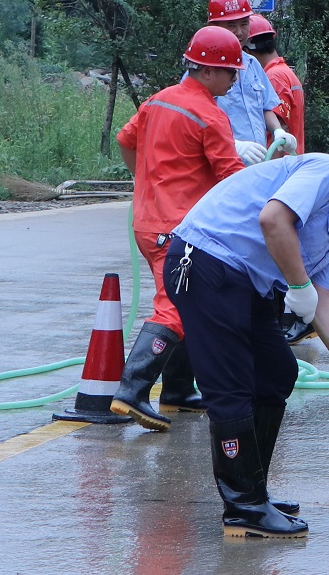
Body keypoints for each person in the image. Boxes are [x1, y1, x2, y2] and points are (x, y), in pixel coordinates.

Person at [167, 142, 329, 538]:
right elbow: (273, 220)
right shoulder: (327, 172)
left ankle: (254, 489)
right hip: (206, 262)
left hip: (241, 279)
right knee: (233, 386)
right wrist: (298, 283)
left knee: (277, 372)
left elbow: (323, 296)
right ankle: (243, 508)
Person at [109, 26, 249, 430]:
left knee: (191, 300)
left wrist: (145, 182)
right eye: (230, 72)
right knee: (173, 306)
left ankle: (177, 391)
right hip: (178, 229)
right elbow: (231, 180)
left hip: (148, 221)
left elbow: (125, 139)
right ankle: (131, 392)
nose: (234, 79)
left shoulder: (157, 101)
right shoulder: (209, 115)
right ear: (207, 71)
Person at [204, 0, 291, 162]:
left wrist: (277, 131)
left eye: (244, 24)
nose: (239, 32)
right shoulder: (205, 71)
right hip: (222, 164)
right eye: (231, 25)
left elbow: (265, 107)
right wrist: (231, 144)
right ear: (214, 27)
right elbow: (196, 120)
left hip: (256, 165)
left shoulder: (252, 65)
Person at [246, 15, 306, 155]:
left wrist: (269, 170)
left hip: (279, 166)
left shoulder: (274, 77)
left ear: (247, 52)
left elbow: (280, 133)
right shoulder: (285, 72)